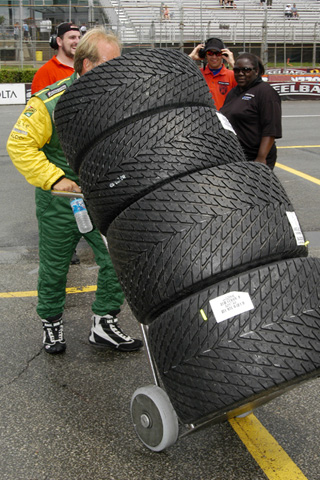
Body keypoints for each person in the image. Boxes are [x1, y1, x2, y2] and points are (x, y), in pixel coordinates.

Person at [7, 28, 143, 355]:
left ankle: (104, 322)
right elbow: (19, 144)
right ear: (84, 65)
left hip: (104, 197)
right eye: (108, 65)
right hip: (61, 201)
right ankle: (52, 323)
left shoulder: (121, 101)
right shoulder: (50, 102)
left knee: (119, 261)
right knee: (55, 268)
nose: (116, 72)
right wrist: (55, 179)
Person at [220, 53, 282, 170]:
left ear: (257, 71)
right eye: (237, 70)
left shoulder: (266, 92)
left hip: (255, 158)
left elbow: (270, 129)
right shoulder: (233, 92)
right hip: (235, 157)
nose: (240, 74)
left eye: (246, 70)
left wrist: (261, 158)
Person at [31, 22, 81, 95]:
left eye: (79, 37)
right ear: (59, 41)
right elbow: (37, 105)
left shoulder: (85, 67)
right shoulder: (45, 73)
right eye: (72, 37)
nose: (77, 41)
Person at [189, 37, 237, 110]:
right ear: (205, 55)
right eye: (210, 53)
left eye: (217, 53)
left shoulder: (232, 75)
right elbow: (174, 75)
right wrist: (190, 57)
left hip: (224, 119)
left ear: (223, 55)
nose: (214, 57)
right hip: (203, 118)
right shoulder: (197, 74)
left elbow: (253, 85)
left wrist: (233, 63)